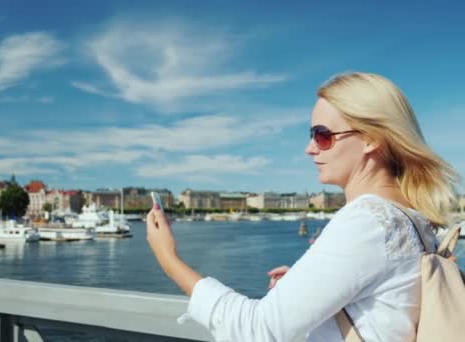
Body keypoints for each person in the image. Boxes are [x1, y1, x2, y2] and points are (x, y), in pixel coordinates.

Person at [146, 72, 459, 341]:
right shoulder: (409, 219)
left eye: (322, 136)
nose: (310, 148)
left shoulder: (368, 221)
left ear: (371, 138)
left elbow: (255, 330)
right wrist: (305, 280)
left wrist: (167, 258)